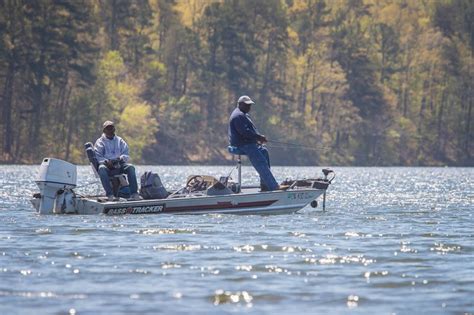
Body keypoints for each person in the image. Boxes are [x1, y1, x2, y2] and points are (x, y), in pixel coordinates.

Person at [228, 95, 280, 191]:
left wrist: (258, 139)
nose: (249, 107)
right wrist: (259, 137)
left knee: (264, 151)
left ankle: (265, 185)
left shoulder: (243, 114)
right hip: (241, 145)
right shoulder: (238, 116)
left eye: (250, 105)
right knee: (260, 161)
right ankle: (273, 186)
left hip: (247, 143)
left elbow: (250, 132)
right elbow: (244, 132)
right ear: (240, 104)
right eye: (246, 105)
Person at [94, 121, 140, 201]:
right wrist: (106, 162)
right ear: (104, 131)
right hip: (107, 165)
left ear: (114, 129)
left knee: (131, 167)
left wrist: (120, 159)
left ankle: (134, 194)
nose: (110, 130)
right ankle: (110, 195)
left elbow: (126, 153)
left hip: (119, 164)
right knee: (101, 169)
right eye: (107, 128)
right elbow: (98, 156)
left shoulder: (120, 140)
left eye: (111, 128)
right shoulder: (100, 142)